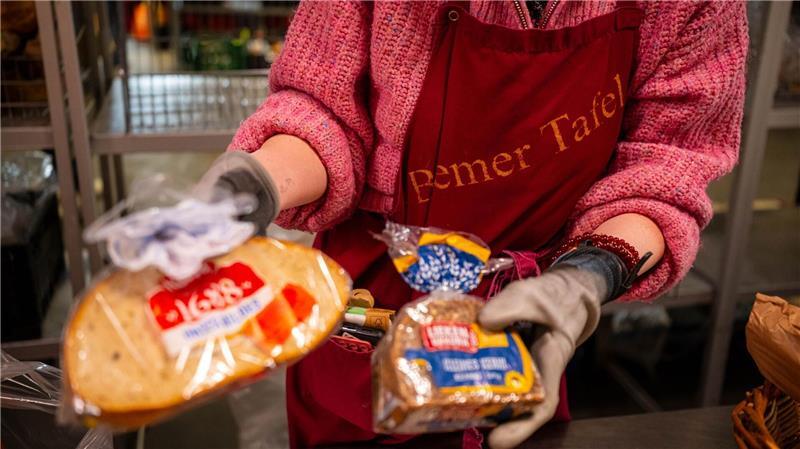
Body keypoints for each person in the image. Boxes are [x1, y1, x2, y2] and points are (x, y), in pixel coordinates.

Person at [198, 1, 747, 448]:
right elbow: (325, 112)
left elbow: (665, 168)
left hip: (522, 317)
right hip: (368, 299)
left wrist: (585, 278)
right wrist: (259, 182)